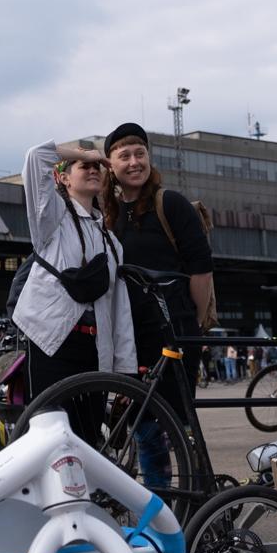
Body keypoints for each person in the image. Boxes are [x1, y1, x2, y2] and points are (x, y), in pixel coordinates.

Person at [14, 138, 135, 420]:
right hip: (52, 342)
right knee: (51, 432)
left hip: (94, 348)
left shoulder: (111, 241)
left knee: (89, 437)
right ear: (64, 177)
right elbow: (35, 156)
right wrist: (87, 152)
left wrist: (125, 373)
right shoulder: (51, 218)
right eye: (84, 166)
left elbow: (121, 309)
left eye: (97, 167)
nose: (93, 169)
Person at [101, 122, 214, 423]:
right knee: (140, 423)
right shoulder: (107, 215)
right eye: (124, 156)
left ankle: (190, 471)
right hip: (129, 334)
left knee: (174, 420)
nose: (135, 162)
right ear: (110, 166)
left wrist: (194, 325)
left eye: (140, 154)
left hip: (172, 327)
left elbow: (201, 271)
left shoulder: (170, 203)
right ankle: (155, 473)